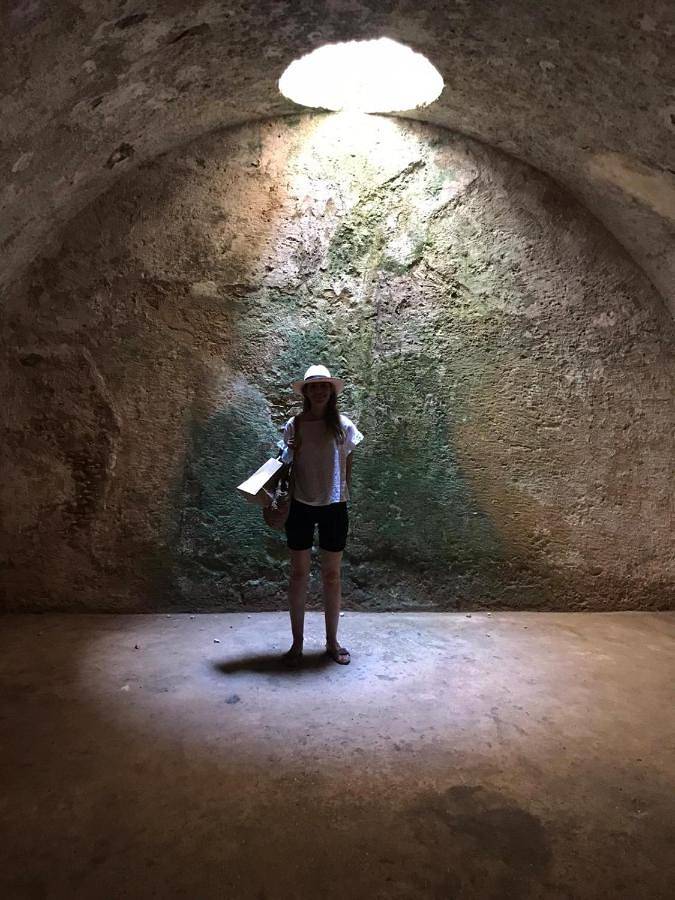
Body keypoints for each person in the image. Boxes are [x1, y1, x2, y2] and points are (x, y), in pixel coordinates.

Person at [277, 365, 363, 667]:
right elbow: (284, 464)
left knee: (331, 575)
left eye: (324, 386)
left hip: (335, 506)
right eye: (313, 387)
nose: (319, 391)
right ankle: (297, 643)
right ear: (306, 392)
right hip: (300, 504)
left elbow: (348, 466)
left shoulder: (344, 426)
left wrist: (341, 494)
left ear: (331, 390)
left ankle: (332, 641)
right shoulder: (295, 425)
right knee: (299, 574)